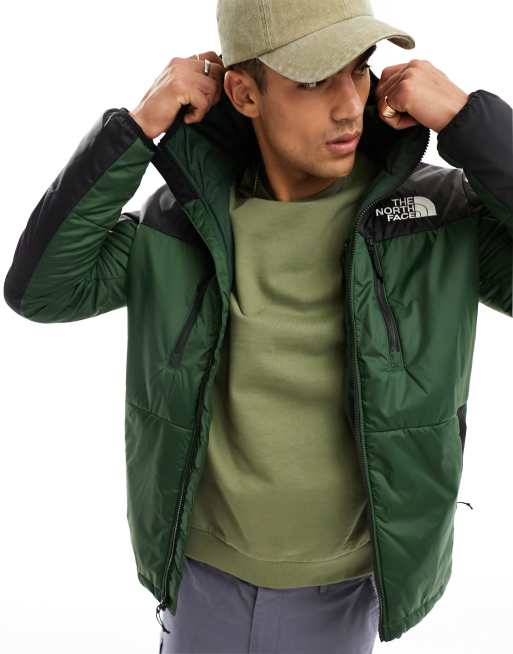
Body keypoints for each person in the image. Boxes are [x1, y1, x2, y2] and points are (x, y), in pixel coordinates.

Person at [4, 0, 512, 652]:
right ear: (245, 94)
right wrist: (137, 126)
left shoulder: (435, 217)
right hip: (203, 574)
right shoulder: (181, 221)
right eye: (314, 80)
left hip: (348, 582)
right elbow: (43, 291)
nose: (348, 106)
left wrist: (472, 123)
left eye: (358, 70)